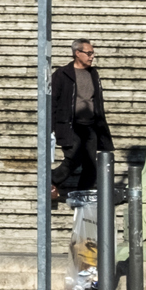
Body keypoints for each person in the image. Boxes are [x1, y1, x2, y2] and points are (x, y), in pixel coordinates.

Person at [50, 38, 114, 197]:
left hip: (90, 125)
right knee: (74, 158)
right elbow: (52, 102)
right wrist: (51, 127)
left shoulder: (93, 73)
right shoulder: (62, 74)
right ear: (77, 53)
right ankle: (51, 180)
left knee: (91, 164)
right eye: (89, 53)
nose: (92, 56)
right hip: (70, 124)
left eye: (93, 53)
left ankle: (82, 195)